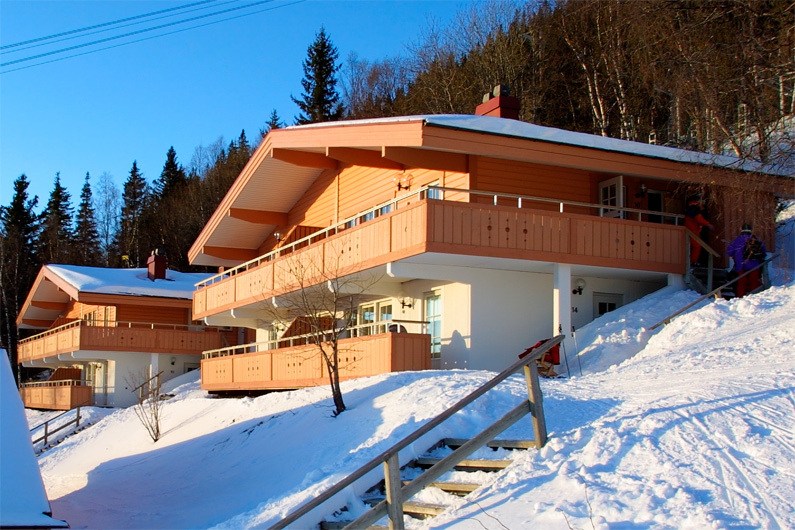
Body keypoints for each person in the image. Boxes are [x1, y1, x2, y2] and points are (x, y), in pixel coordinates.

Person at [727, 223, 767, 297]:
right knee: (754, 282)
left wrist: (735, 256)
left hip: (741, 265)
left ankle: (740, 297)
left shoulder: (737, 240)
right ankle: (754, 297)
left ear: (742, 230)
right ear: (751, 230)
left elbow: (729, 252)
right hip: (754, 265)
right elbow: (763, 252)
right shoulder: (756, 240)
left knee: (741, 283)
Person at [684, 195, 714, 265]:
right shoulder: (693, 208)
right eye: (701, 200)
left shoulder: (691, 208)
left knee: (690, 246)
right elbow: (698, 218)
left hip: (692, 231)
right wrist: (708, 224)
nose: (702, 202)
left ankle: (691, 261)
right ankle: (692, 262)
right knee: (696, 246)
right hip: (692, 231)